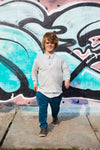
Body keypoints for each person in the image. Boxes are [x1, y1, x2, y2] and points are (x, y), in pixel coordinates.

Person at [32, 32, 70, 137]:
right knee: (42, 110)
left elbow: (66, 69)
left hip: (57, 92)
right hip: (42, 91)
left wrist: (67, 79)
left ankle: (55, 117)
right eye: (47, 42)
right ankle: (43, 127)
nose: (50, 45)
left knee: (55, 108)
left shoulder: (60, 59)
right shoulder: (38, 59)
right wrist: (35, 82)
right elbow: (33, 71)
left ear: (55, 44)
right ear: (44, 44)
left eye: (52, 43)